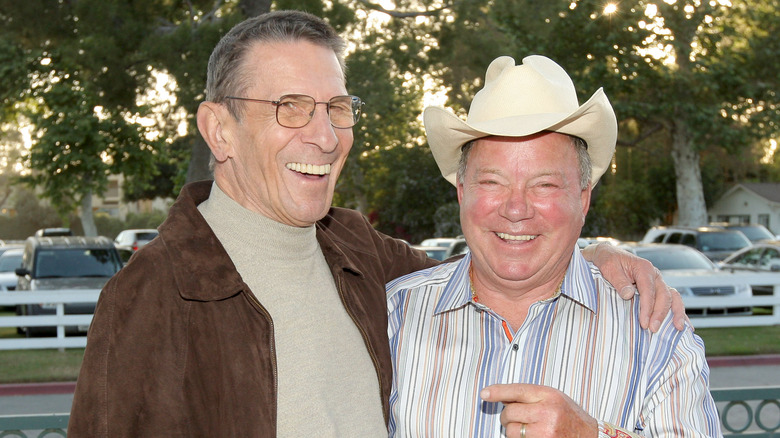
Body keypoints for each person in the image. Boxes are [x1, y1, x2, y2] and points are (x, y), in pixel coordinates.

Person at [68, 11, 683, 437]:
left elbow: (501, 259)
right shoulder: (149, 298)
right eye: (290, 107)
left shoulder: (355, 254)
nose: (326, 135)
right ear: (218, 130)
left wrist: (593, 250)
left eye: (337, 107)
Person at [387, 55, 720, 437]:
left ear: (583, 199)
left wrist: (591, 435)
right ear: (462, 194)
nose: (516, 209)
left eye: (544, 184)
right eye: (492, 182)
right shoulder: (391, 319)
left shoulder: (656, 331)